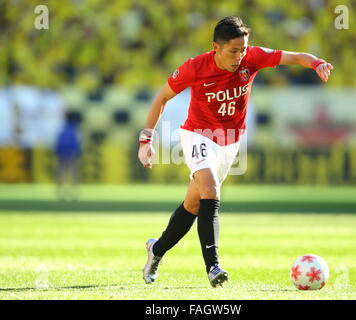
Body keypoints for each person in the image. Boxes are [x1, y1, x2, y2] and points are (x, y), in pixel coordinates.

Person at [138, 16, 333, 288]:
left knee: (194, 204)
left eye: (243, 50)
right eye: (233, 51)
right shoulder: (195, 67)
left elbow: (296, 57)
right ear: (215, 47)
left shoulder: (253, 58)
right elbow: (162, 97)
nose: (240, 56)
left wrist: (316, 62)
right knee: (211, 189)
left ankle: (156, 250)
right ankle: (213, 267)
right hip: (197, 134)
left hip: (229, 142)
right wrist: (146, 139)